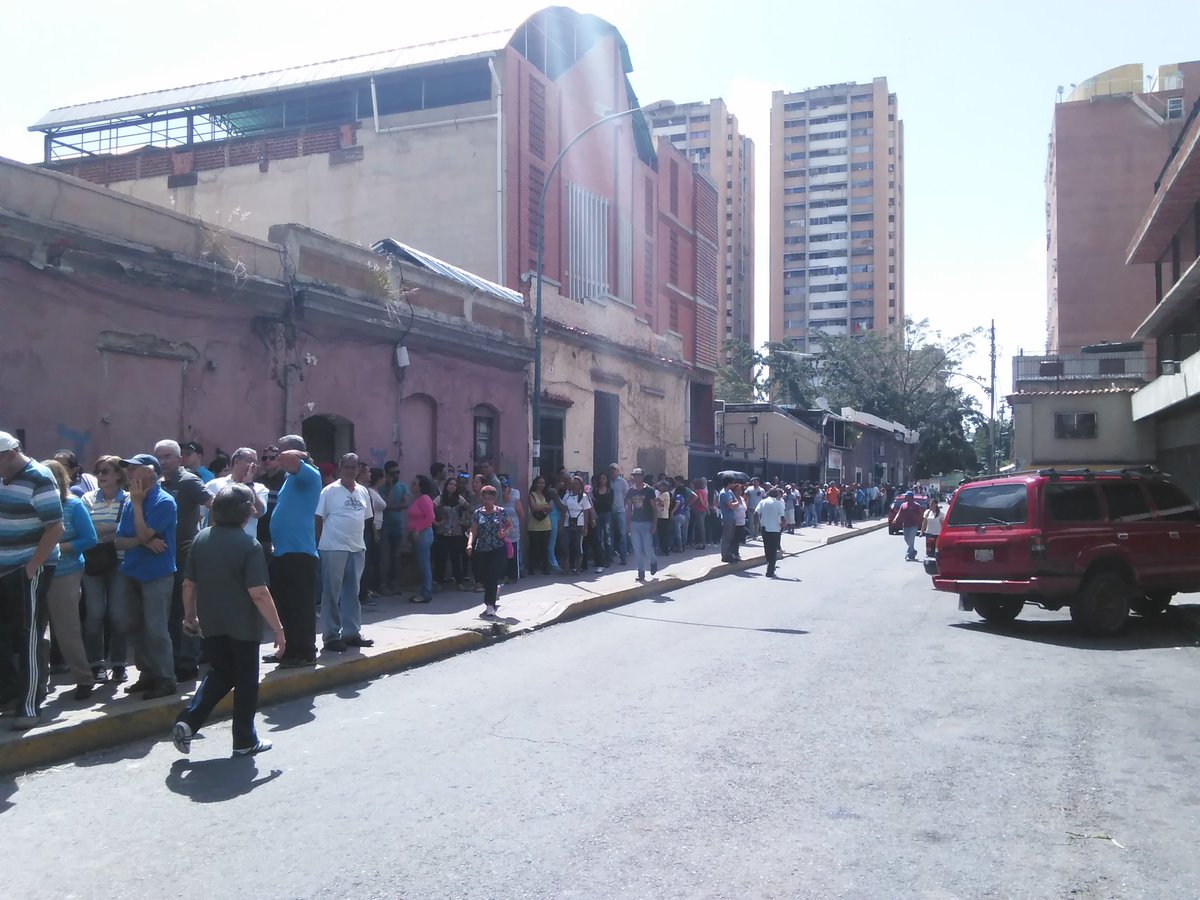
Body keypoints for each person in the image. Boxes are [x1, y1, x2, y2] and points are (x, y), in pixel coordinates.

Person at [172, 484, 283, 757]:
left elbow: (188, 585)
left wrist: (190, 616)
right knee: (245, 682)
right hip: (243, 626)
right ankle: (244, 740)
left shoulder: (202, 539)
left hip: (212, 624)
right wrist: (278, 629)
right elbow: (259, 593)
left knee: (221, 673)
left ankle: (188, 720)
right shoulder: (249, 544)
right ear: (245, 514)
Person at [0, 433, 64, 730]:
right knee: (7, 635)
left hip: (29, 568)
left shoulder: (39, 477)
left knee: (28, 635)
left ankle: (29, 705)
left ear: (11, 454)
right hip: (4, 568)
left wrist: (31, 568)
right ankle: (9, 694)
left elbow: (55, 528)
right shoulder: (4, 478)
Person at [114, 453, 178, 700]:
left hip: (157, 574)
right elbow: (119, 541)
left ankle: (165, 679)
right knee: (132, 625)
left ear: (151, 471)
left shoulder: (164, 501)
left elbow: (141, 533)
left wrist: (139, 507)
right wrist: (144, 542)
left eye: (134, 468)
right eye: (127, 468)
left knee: (156, 629)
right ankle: (147, 674)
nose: (129, 472)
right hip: (131, 571)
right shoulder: (130, 501)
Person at [154, 439, 211, 683]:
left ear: (179, 459)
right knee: (169, 614)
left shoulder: (188, 481)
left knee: (187, 610)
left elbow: (217, 507)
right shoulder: (157, 483)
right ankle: (173, 662)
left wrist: (201, 536)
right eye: (159, 456)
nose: (163, 461)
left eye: (168, 456)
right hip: (160, 559)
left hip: (184, 559)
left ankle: (188, 664)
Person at [42, 460, 98, 700]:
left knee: (67, 630)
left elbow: (90, 539)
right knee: (37, 633)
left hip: (66, 572)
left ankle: (84, 678)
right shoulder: (35, 505)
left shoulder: (73, 505)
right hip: (36, 572)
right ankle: (37, 683)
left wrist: (60, 547)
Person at [266, 435, 321, 668]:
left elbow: (289, 457)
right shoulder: (290, 479)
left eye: (280, 451)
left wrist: (300, 455)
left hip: (300, 552)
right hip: (282, 552)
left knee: (300, 605)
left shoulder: (310, 474)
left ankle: (305, 652)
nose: (277, 457)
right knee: (284, 606)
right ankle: (287, 650)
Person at [316, 453, 374, 649]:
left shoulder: (363, 491)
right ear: (340, 467)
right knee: (332, 593)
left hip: (356, 547)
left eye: (354, 467)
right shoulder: (329, 491)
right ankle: (331, 635)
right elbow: (318, 518)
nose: (350, 470)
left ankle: (351, 633)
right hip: (333, 547)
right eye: (347, 466)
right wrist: (319, 544)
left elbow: (366, 519)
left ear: (358, 469)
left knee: (353, 592)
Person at [81, 455, 129, 684]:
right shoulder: (88, 498)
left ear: (119, 474)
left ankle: (119, 662)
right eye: (98, 471)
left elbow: (128, 528)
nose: (100, 476)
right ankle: (95, 663)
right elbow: (87, 529)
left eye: (106, 471)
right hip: (93, 564)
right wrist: (113, 531)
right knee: (95, 613)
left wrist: (105, 531)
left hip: (121, 562)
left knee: (118, 615)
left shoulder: (128, 499)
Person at [466, 484, 511, 619]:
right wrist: (469, 544)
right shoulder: (477, 513)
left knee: (492, 574)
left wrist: (505, 533)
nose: (487, 501)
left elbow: (509, 525)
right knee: (482, 576)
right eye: (484, 498)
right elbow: (473, 530)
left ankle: (490, 605)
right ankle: (494, 588)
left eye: (489, 499)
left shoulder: (500, 511)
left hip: (497, 547)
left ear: (494, 499)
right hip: (481, 548)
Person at [204, 448, 268, 538]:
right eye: (249, 461)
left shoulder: (260, 488)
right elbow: (201, 514)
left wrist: (249, 484)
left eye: (255, 462)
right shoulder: (214, 485)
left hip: (245, 544)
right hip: (217, 542)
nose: (253, 465)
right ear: (236, 461)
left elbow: (259, 513)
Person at [433, 476, 470, 588]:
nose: (452, 486)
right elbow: (430, 508)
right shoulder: (440, 498)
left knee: (455, 557)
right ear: (446, 485)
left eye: (455, 485)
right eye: (450, 484)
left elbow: (469, 507)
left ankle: (459, 581)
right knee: (442, 556)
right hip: (442, 531)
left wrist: (463, 520)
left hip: (456, 532)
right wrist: (436, 522)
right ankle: (439, 580)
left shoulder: (459, 498)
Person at [379, 461, 410, 593]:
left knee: (396, 557)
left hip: (398, 526)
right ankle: (382, 584)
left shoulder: (403, 486)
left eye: (398, 472)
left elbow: (405, 504)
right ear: (386, 474)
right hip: (384, 527)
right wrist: (390, 487)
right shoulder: (381, 488)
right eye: (393, 473)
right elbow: (384, 504)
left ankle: (394, 583)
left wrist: (390, 507)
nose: (396, 475)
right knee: (384, 557)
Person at [406, 474, 436, 604]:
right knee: (421, 563)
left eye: (415, 483)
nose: (412, 485)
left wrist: (417, 530)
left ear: (421, 487)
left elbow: (431, 517)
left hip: (423, 534)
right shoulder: (417, 499)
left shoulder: (424, 499)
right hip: (418, 534)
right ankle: (423, 591)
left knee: (424, 564)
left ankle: (426, 593)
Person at [625, 468, 658, 582]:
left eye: (638, 476)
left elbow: (654, 509)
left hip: (647, 522)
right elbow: (629, 509)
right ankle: (641, 571)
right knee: (637, 548)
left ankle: (653, 561)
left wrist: (655, 524)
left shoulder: (649, 490)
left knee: (647, 547)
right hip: (635, 522)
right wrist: (627, 525)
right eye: (634, 476)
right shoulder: (630, 491)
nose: (636, 478)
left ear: (642, 477)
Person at [254, 445, 286, 553]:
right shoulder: (259, 481)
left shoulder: (286, 480)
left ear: (279, 459)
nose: (267, 461)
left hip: (279, 534)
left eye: (271, 458)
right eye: (264, 458)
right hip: (261, 534)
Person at [562, 475, 592, 575]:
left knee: (577, 546)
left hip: (579, 523)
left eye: (577, 483)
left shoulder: (583, 497)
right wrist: (561, 523)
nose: (574, 485)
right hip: (567, 523)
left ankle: (578, 568)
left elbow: (586, 512)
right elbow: (564, 509)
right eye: (573, 483)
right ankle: (566, 568)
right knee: (565, 545)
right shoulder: (567, 496)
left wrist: (586, 527)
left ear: (580, 485)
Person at [757, 488, 787, 578]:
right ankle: (770, 570)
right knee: (773, 550)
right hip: (775, 529)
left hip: (765, 528)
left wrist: (759, 523)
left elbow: (756, 513)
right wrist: (783, 525)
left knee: (767, 548)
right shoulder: (778, 503)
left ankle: (769, 564)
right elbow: (782, 517)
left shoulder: (763, 502)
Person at [526, 476, 553, 576]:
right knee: (534, 547)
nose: (541, 485)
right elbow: (533, 507)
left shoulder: (546, 495)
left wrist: (542, 507)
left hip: (546, 524)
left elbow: (551, 508)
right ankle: (532, 568)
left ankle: (545, 568)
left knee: (545, 547)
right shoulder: (531, 495)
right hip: (534, 525)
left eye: (543, 483)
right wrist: (545, 506)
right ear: (535, 483)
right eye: (539, 482)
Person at [500, 476, 524, 582]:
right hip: (502, 533)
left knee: (513, 554)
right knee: (503, 555)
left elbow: (521, 515)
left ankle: (513, 575)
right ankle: (503, 575)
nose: (503, 491)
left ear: (509, 489)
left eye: (505, 489)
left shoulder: (515, 501)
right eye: (501, 489)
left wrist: (515, 524)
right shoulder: (499, 502)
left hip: (513, 533)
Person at [590, 472, 614, 574]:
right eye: (600, 478)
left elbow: (609, 503)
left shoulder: (610, 491)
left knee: (608, 537)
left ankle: (608, 558)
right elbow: (593, 502)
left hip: (607, 514)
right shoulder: (595, 490)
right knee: (597, 537)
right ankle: (599, 559)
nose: (602, 480)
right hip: (597, 514)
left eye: (604, 478)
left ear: (607, 480)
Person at [608, 464, 629, 566]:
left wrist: (625, 507)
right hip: (610, 511)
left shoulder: (623, 482)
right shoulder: (608, 482)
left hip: (620, 511)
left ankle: (623, 558)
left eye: (614, 470)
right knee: (610, 535)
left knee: (622, 535)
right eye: (611, 470)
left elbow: (627, 496)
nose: (612, 472)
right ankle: (610, 557)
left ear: (618, 471)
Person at [895, 490, 925, 561]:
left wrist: (922, 524)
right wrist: (895, 519)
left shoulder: (917, 506)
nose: (905, 497)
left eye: (906, 496)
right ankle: (913, 551)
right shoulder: (903, 505)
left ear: (911, 497)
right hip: (905, 525)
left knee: (911, 539)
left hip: (914, 525)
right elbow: (899, 513)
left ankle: (908, 554)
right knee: (907, 539)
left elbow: (921, 515)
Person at [717, 476, 738, 562]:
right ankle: (724, 555)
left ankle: (729, 554)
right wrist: (733, 504)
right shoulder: (723, 493)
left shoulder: (730, 492)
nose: (733, 484)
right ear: (729, 483)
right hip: (727, 517)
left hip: (733, 517)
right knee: (726, 537)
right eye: (732, 483)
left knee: (731, 537)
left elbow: (737, 502)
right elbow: (731, 506)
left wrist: (734, 504)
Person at [655, 478, 673, 558]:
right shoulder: (663, 494)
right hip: (660, 516)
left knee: (663, 534)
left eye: (660, 486)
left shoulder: (665, 494)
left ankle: (665, 550)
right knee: (661, 534)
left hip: (663, 516)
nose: (659, 488)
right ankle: (662, 549)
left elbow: (657, 500)